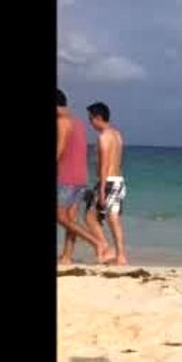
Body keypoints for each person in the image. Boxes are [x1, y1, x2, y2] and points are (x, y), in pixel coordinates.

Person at [57, 89, 111, 264]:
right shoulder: (78, 123)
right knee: (71, 219)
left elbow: (59, 150)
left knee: (61, 216)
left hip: (67, 177)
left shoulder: (62, 122)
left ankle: (98, 243)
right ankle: (67, 256)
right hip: (80, 177)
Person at [83, 102, 129, 266]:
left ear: (98, 118)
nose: (90, 123)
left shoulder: (103, 137)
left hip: (108, 182)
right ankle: (118, 254)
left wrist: (101, 189)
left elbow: (104, 165)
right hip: (118, 180)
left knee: (91, 217)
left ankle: (108, 249)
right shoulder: (117, 135)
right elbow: (117, 161)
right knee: (111, 218)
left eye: (90, 119)